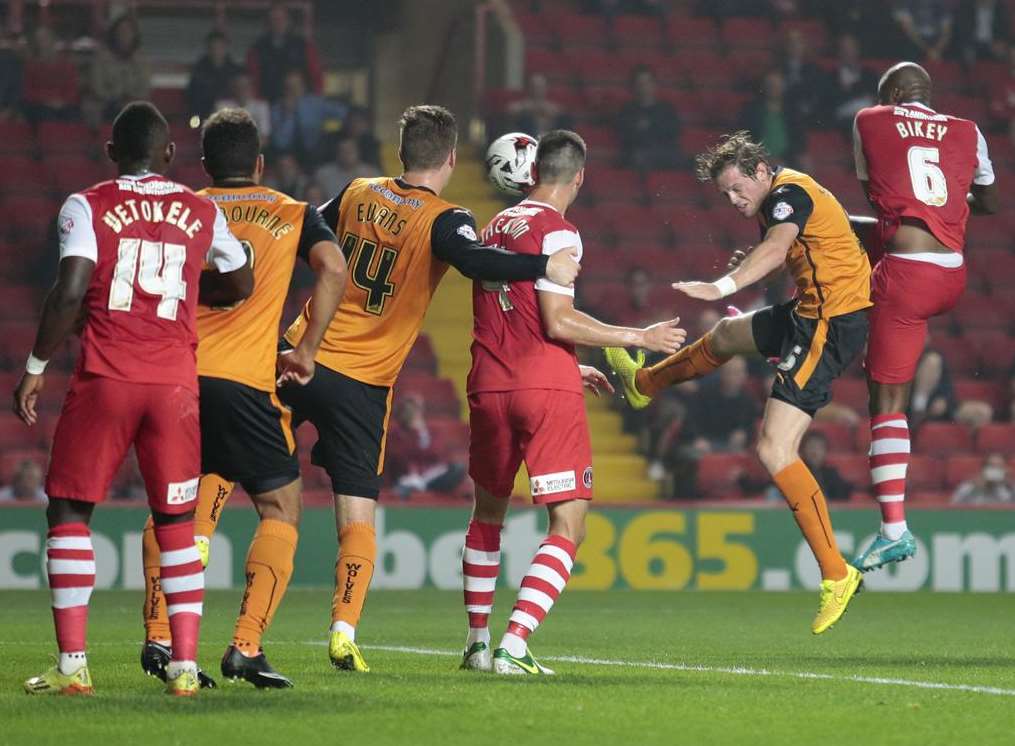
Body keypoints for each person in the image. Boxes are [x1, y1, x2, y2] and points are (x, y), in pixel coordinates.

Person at [192, 105, 581, 673]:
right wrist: (545, 262)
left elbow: (306, 238)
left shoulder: (355, 191)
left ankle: (199, 534)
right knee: (356, 512)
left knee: (232, 454)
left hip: (301, 354)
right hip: (362, 384)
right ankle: (343, 631)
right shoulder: (448, 219)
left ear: (401, 154)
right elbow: (474, 260)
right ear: (451, 158)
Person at [12, 101, 252, 696]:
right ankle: (184, 669)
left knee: (69, 510)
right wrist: (192, 292)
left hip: (108, 377)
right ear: (170, 154)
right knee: (175, 521)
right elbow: (241, 279)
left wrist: (36, 366)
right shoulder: (199, 209)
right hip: (175, 386)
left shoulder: (86, 203)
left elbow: (69, 289)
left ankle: (72, 667)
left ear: (111, 151)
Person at [605, 131, 871, 634]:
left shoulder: (787, 195)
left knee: (774, 450)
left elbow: (777, 246)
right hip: (811, 312)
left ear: (760, 172)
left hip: (830, 324)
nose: (732, 201)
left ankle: (837, 573)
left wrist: (722, 285)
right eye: (724, 194)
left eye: (736, 188)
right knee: (726, 334)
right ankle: (644, 383)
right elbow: (805, 247)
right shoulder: (788, 193)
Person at [461, 130, 684, 674]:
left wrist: (571, 363)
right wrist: (639, 337)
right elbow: (559, 320)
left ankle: (477, 644)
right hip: (542, 388)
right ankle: (514, 643)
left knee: (487, 512)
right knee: (569, 525)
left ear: (535, 171)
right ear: (580, 176)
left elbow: (523, 315)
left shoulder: (494, 224)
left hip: (490, 382)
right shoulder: (559, 231)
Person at [137, 108, 346, 689]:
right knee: (281, 507)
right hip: (245, 386)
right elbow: (334, 270)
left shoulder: (179, 209)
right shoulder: (291, 211)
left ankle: (157, 637)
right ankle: (245, 646)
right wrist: (306, 349)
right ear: (259, 163)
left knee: (172, 509)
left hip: (174, 379)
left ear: (203, 164)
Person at [850, 62, 998, 573]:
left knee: (886, 400)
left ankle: (893, 529)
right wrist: (956, 194)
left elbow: (874, 189)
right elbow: (992, 201)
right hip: (952, 272)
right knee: (842, 232)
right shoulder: (968, 129)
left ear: (891, 95)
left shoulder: (871, 118)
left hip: (908, 274)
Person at [385, 394, 466, 499]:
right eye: (410, 411)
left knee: (457, 468)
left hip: (431, 475)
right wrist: (414, 433)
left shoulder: (429, 431)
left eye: (416, 410)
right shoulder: (395, 434)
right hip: (407, 475)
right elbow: (401, 458)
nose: (415, 415)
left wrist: (420, 432)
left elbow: (437, 453)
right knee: (406, 483)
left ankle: (420, 485)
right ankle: (416, 486)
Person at [246, 1, 323, 102]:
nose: (277, 23)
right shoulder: (257, 50)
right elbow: (252, 80)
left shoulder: (304, 47)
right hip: (269, 104)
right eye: (273, 20)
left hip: (300, 104)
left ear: (288, 21)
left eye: (281, 19)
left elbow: (316, 77)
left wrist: (314, 102)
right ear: (267, 23)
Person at [84, 15, 151, 127]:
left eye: (128, 31)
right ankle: (96, 140)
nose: (124, 35)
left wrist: (130, 98)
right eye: (121, 31)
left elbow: (145, 88)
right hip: (106, 103)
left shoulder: (141, 60)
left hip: (132, 103)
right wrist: (114, 96)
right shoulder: (102, 58)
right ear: (114, 34)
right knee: (91, 108)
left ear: (134, 35)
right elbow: (97, 85)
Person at [269, 70, 346, 166]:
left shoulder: (316, 103)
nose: (293, 91)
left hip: (317, 152)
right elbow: (281, 142)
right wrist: (288, 115)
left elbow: (344, 113)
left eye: (296, 86)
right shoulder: (276, 109)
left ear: (303, 87)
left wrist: (330, 127)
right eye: (289, 87)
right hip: (289, 157)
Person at [616, 66, 681, 170]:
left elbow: (673, 132)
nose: (644, 87)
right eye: (640, 83)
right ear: (633, 87)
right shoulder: (627, 112)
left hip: (665, 153)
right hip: (639, 154)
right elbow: (626, 137)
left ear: (654, 85)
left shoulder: (666, 110)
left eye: (648, 82)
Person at [740, 70, 805, 167]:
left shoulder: (793, 112)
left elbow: (799, 141)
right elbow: (745, 139)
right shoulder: (751, 111)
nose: (774, 88)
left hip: (788, 162)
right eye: (771, 85)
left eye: (778, 85)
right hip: (755, 162)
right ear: (764, 87)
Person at [22, 25, 80, 123]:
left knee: (73, 114)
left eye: (45, 39)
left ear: (53, 40)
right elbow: (28, 91)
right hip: (40, 106)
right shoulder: (31, 66)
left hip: (64, 104)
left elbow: (73, 88)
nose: (42, 43)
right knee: (44, 114)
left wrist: (62, 101)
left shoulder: (66, 65)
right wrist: (47, 100)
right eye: (39, 40)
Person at [185, 30, 242, 121]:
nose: (216, 51)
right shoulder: (200, 69)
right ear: (208, 48)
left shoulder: (233, 69)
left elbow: (239, 92)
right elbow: (193, 96)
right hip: (205, 113)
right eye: (213, 47)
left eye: (220, 47)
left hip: (231, 111)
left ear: (226, 48)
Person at [506, 72, 570, 138]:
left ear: (546, 88)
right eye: (534, 86)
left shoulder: (552, 107)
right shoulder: (521, 105)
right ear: (528, 88)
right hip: (527, 140)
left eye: (540, 87)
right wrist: (531, 108)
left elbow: (559, 112)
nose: (537, 89)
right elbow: (511, 110)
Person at [314, 135, 381, 197]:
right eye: (343, 151)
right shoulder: (324, 174)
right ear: (337, 153)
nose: (347, 154)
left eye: (350, 151)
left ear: (358, 152)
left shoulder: (372, 174)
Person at [216, 73, 271, 139]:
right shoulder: (222, 106)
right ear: (233, 89)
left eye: (245, 87)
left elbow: (265, 137)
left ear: (251, 88)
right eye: (239, 87)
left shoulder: (261, 107)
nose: (242, 90)